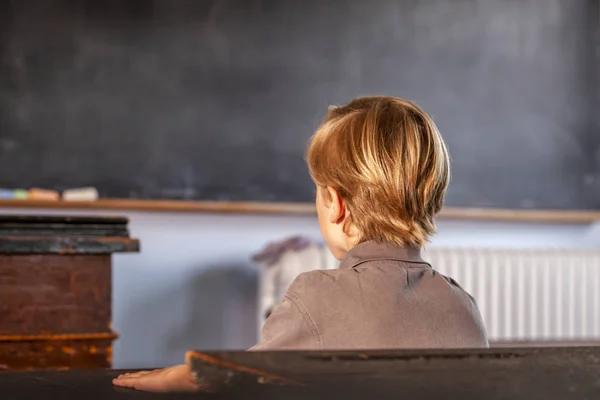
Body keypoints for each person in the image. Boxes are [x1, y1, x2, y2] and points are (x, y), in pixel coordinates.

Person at [113, 96, 488, 392]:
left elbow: (241, 378)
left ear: (336, 204)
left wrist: (181, 377)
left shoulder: (317, 296)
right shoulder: (461, 305)